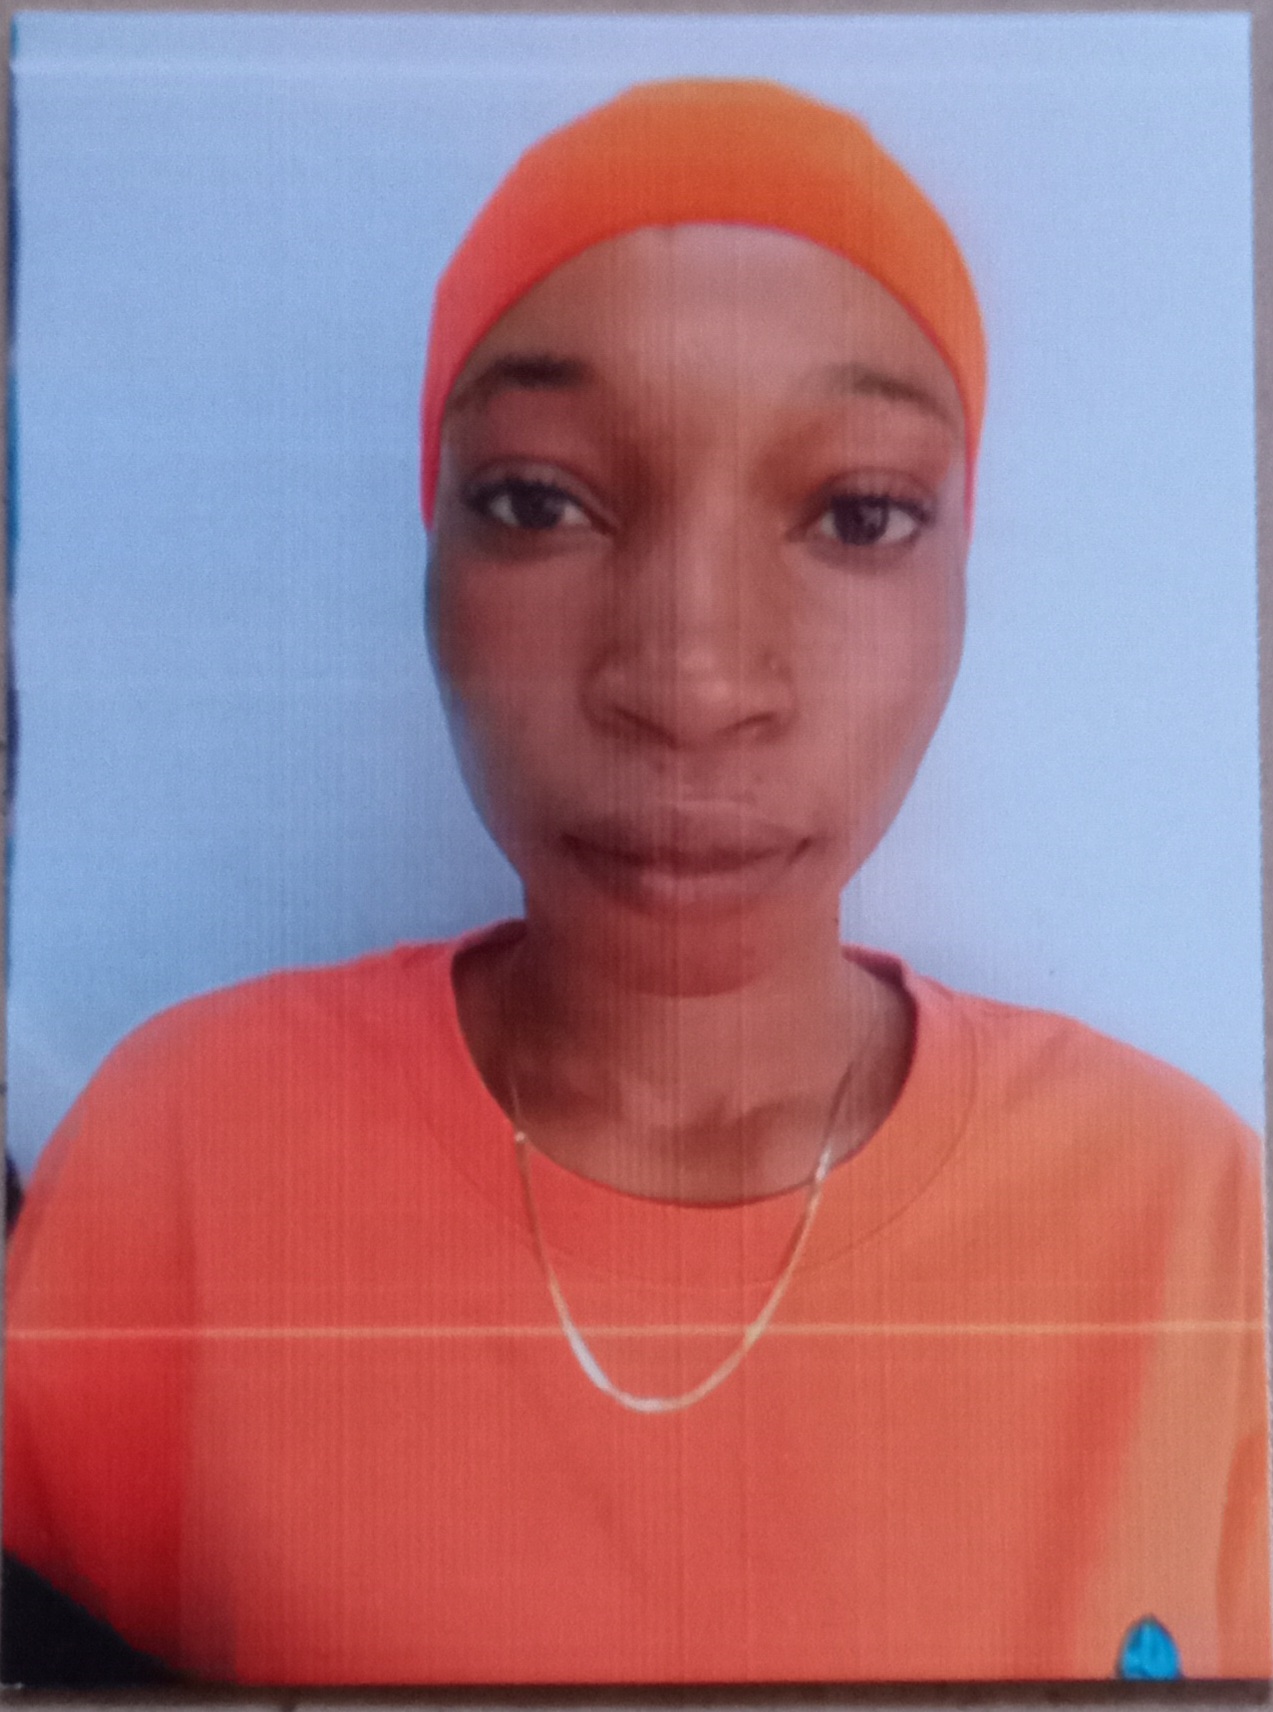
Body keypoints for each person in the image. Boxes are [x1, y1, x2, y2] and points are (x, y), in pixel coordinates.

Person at [4, 78, 1268, 1687]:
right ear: (434, 545)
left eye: (856, 514)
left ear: (962, 572)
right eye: (540, 502)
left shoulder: (1186, 1224)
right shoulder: (186, 1154)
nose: (688, 680)